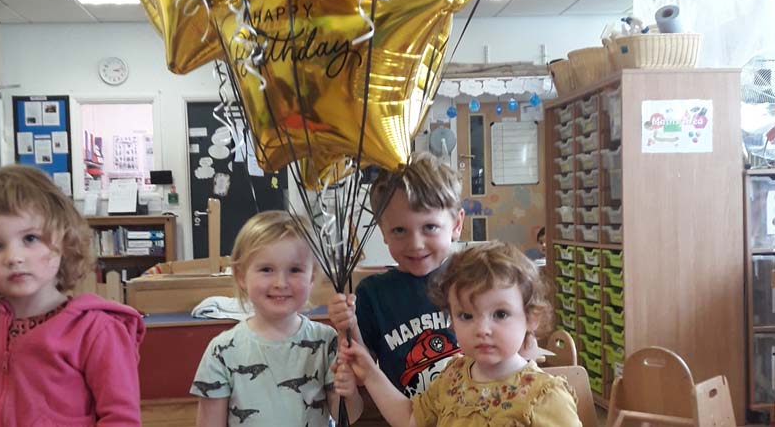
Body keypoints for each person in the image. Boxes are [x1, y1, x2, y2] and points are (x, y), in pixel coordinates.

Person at [0, 165, 145, 426]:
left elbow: (121, 420)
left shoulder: (97, 331)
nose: (14, 257)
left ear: (65, 240)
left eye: (31, 238)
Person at [335, 241, 581, 426]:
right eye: (466, 316)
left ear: (530, 318)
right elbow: (410, 418)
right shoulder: (451, 377)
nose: (482, 329)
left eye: (500, 314)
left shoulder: (545, 397)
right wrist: (369, 371)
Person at [191, 210, 363, 426]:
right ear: (241, 276)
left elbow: (349, 415)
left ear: (312, 277)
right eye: (266, 269)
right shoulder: (221, 351)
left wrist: (349, 391)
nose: (281, 283)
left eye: (294, 270)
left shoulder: (327, 341)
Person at [329, 152, 465, 397]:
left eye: (430, 227)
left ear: (456, 224)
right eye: (400, 230)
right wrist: (348, 326)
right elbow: (362, 376)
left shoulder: (473, 278)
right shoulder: (372, 294)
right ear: (383, 231)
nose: (416, 244)